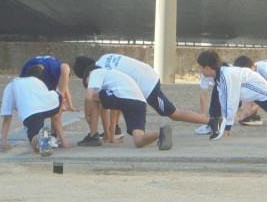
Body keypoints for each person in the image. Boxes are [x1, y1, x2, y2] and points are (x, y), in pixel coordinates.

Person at [73, 54, 223, 146]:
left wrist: (108, 134)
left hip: (145, 84)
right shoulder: (105, 58)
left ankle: (212, 121)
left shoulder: (98, 73)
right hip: (147, 73)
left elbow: (114, 105)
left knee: (173, 113)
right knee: (171, 114)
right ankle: (211, 121)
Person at [81, 63, 173, 150]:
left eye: (87, 83)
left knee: (93, 97)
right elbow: (114, 112)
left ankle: (93, 136)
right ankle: (161, 133)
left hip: (125, 95)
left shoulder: (95, 72)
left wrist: (87, 115)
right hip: (139, 101)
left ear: (89, 73)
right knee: (139, 141)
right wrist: (111, 137)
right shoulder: (113, 80)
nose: (89, 86)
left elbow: (89, 97)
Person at [0, 66, 72, 155]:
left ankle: (40, 138)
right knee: (57, 102)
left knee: (35, 143)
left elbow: (7, 117)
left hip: (31, 112)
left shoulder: (12, 84)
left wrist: (3, 143)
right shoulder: (39, 82)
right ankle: (63, 142)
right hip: (53, 102)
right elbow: (56, 117)